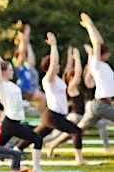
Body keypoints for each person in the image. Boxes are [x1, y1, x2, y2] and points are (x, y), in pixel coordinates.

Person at [46, 13, 114, 155]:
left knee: (78, 129)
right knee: (79, 128)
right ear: (102, 54)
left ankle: (52, 144)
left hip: (97, 105)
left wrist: (91, 25)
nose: (110, 54)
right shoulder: (96, 64)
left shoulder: (104, 66)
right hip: (101, 105)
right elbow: (97, 43)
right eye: (107, 53)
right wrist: (90, 25)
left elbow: (99, 41)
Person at [16, 32, 85, 164]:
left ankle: (17, 148)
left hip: (53, 115)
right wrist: (53, 46)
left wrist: (75, 58)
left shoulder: (57, 79)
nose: (59, 66)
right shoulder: (49, 79)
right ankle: (79, 159)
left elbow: (66, 67)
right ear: (50, 67)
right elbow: (54, 63)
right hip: (54, 115)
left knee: (35, 136)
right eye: (56, 65)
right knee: (76, 131)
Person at [0, 37, 45, 172]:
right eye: (9, 69)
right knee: (37, 139)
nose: (12, 71)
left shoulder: (10, 83)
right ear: (3, 72)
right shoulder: (0, 84)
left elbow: (1, 62)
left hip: (12, 123)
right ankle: (37, 169)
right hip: (11, 123)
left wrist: (28, 108)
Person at [13, 25, 46, 113]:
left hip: (30, 90)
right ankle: (40, 117)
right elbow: (22, 52)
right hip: (23, 90)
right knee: (43, 98)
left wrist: (27, 38)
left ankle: (39, 116)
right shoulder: (18, 65)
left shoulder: (27, 66)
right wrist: (23, 40)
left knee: (43, 99)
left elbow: (31, 59)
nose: (25, 57)